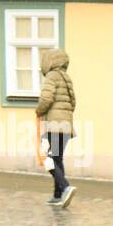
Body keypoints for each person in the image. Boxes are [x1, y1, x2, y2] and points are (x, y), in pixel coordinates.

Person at [36, 49, 77, 208]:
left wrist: (39, 111)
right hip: (66, 125)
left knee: (47, 158)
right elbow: (73, 102)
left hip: (53, 124)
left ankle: (66, 186)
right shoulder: (66, 78)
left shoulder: (51, 76)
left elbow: (46, 98)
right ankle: (57, 195)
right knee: (57, 158)